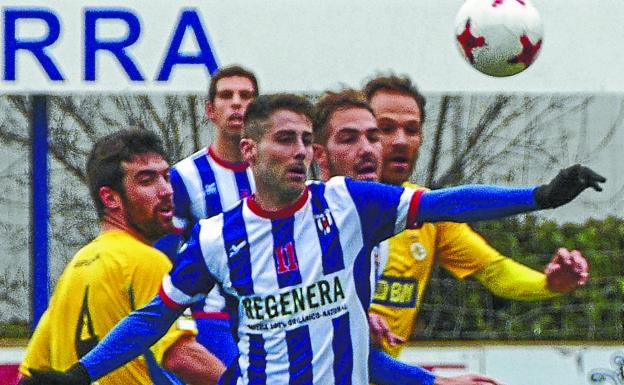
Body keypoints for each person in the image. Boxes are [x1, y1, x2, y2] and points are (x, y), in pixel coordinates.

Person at [24, 93, 605, 385]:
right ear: (250, 149)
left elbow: (446, 203)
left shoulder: (350, 203)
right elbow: (154, 319)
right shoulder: (215, 237)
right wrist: (81, 375)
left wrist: (540, 196)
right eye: (284, 139)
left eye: (306, 139)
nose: (300, 150)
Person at [363, 74, 595, 363]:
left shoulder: (428, 212)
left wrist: (550, 284)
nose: (400, 141)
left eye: (412, 130)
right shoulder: (323, 207)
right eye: (386, 128)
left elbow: (496, 272)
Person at [312, 89, 502, 385]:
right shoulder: (303, 225)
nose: (368, 149)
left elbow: (354, 350)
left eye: (374, 137)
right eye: (350, 139)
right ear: (319, 155)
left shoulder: (376, 235)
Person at [18, 129, 225, 385]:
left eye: (166, 177)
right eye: (147, 180)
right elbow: (182, 357)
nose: (166, 191)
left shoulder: (73, 270)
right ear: (110, 198)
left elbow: (29, 374)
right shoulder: (146, 261)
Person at [156, 64, 259, 367]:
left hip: (267, 313)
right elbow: (165, 256)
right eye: (227, 95)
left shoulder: (273, 173)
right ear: (211, 110)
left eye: (246, 95)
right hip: (211, 316)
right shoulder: (186, 176)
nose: (237, 103)